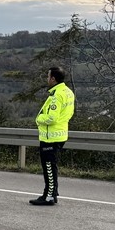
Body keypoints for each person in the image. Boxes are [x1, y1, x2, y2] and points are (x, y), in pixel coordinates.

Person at [30, 66, 75, 206]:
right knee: (52, 166)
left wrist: (39, 119)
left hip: (51, 136)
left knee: (49, 166)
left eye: (48, 76)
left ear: (53, 79)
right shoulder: (68, 92)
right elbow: (69, 113)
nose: (47, 79)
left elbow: (52, 118)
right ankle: (52, 192)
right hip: (60, 134)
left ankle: (49, 195)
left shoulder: (57, 95)